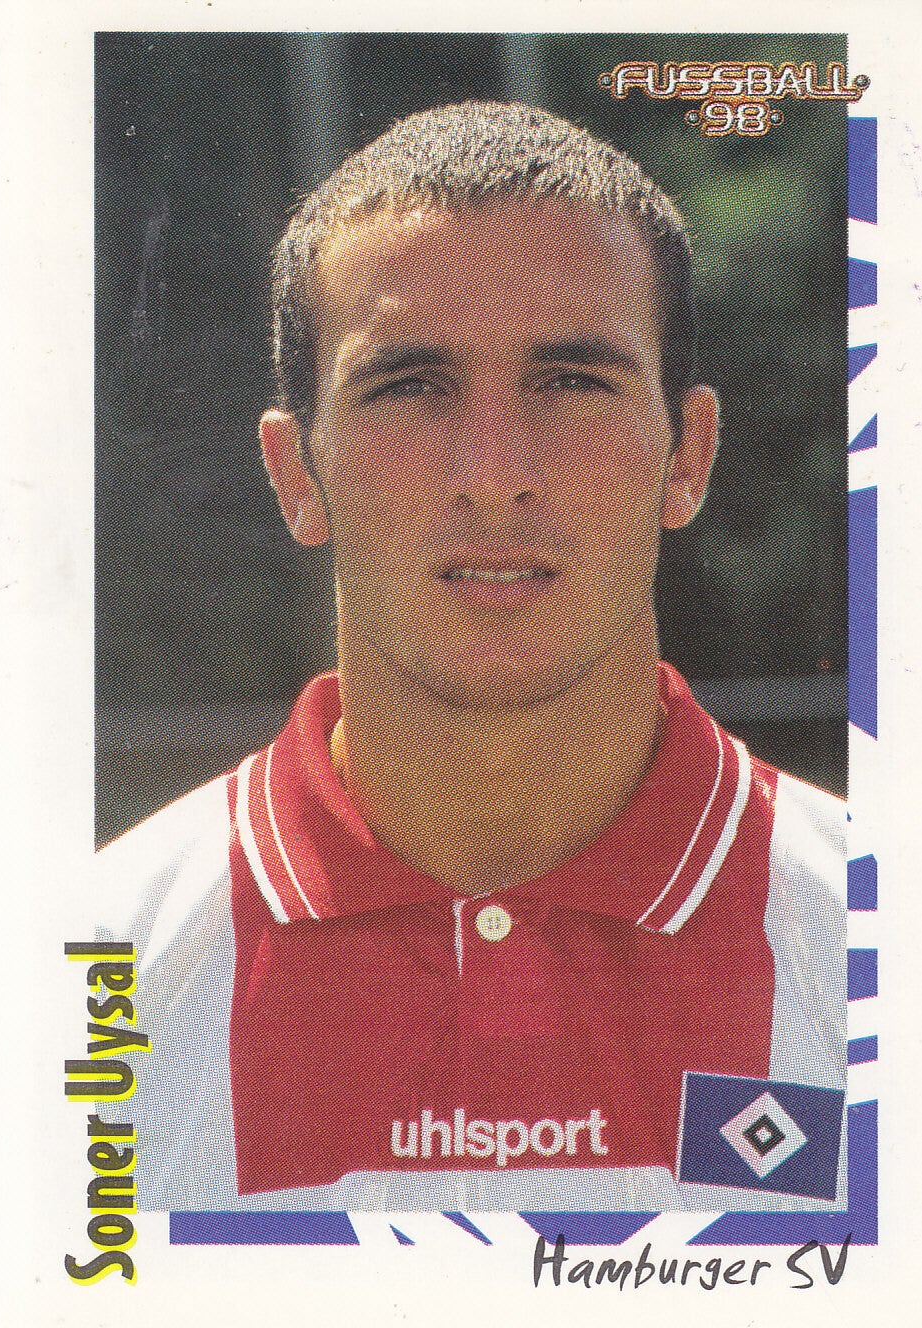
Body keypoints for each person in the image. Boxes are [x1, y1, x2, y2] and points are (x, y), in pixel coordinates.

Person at [94, 101, 846, 1213]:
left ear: (686, 455)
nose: (493, 475)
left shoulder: (878, 944)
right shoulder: (91, 975)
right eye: (409, 387)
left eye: (572, 381)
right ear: (295, 473)